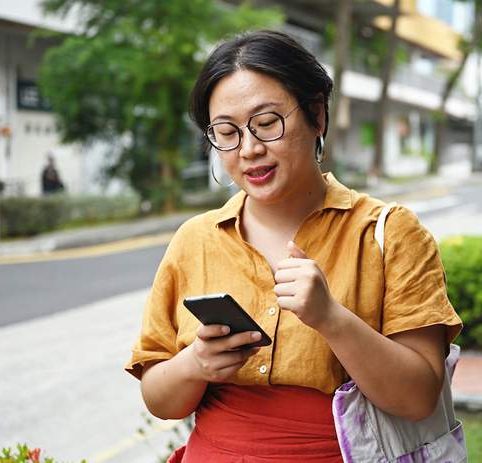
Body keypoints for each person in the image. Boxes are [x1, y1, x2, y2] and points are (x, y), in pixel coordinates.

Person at [125, 30, 462, 463]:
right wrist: (194, 365)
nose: (249, 149)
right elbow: (159, 398)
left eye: (267, 123)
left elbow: (419, 399)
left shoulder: (389, 232)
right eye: (226, 132)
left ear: (317, 115)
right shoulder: (196, 240)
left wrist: (331, 318)